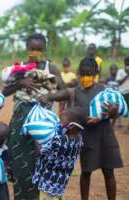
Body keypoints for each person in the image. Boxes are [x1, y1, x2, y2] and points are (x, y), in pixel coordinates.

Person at [41, 58, 123, 200]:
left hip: (105, 136)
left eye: (89, 74)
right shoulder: (75, 93)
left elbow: (114, 114)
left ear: (96, 73)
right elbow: (66, 104)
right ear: (79, 74)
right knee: (86, 172)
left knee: (109, 172)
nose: (86, 78)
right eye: (84, 74)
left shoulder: (103, 90)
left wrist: (111, 113)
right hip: (87, 138)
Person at [2, 33, 67, 200]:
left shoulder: (50, 69)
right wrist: (20, 83)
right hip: (19, 121)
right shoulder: (19, 68)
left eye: (39, 49)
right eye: (32, 49)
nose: (35, 52)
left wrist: (49, 97)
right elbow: (4, 92)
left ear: (44, 49)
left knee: (40, 165)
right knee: (19, 165)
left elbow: (65, 92)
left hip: (41, 124)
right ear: (27, 49)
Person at [33, 108, 85, 200]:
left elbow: (42, 152)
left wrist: (37, 140)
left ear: (71, 126)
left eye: (61, 120)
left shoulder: (58, 140)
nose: (58, 123)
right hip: (61, 182)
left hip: (48, 181)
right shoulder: (79, 139)